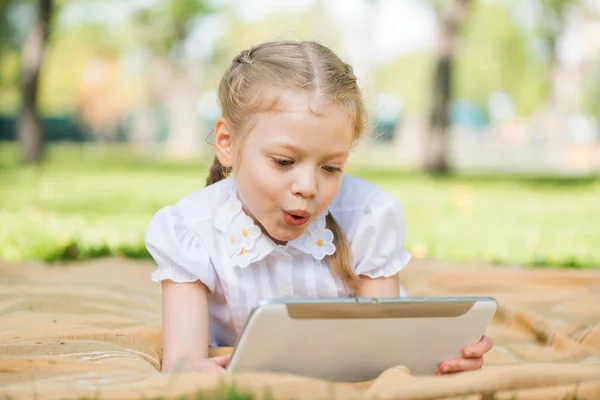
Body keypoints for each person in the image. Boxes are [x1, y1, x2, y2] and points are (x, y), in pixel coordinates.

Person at [144, 40, 493, 375]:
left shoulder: (368, 217)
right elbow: (182, 363)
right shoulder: (190, 229)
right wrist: (190, 369)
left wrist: (440, 357)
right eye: (283, 161)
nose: (308, 187)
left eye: (331, 168)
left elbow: (387, 350)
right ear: (226, 144)